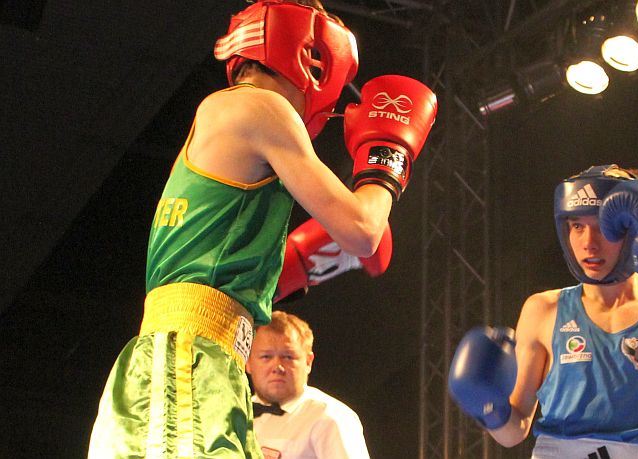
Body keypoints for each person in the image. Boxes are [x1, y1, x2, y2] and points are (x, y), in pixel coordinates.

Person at [87, 0, 437, 457]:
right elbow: (363, 229)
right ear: (312, 60)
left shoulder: (229, 117)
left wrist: (288, 269)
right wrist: (388, 155)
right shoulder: (261, 106)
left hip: (197, 363)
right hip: (188, 365)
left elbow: (207, 267)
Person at [448, 164, 638, 459]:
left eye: (604, 227)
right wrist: (488, 408)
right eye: (577, 226)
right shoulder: (544, 309)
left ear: (636, 231)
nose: (589, 243)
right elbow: (515, 431)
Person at [247, 311, 370, 459]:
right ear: (248, 362)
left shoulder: (331, 417)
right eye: (266, 356)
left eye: (288, 357)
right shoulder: (237, 413)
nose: (277, 366)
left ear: (308, 362)